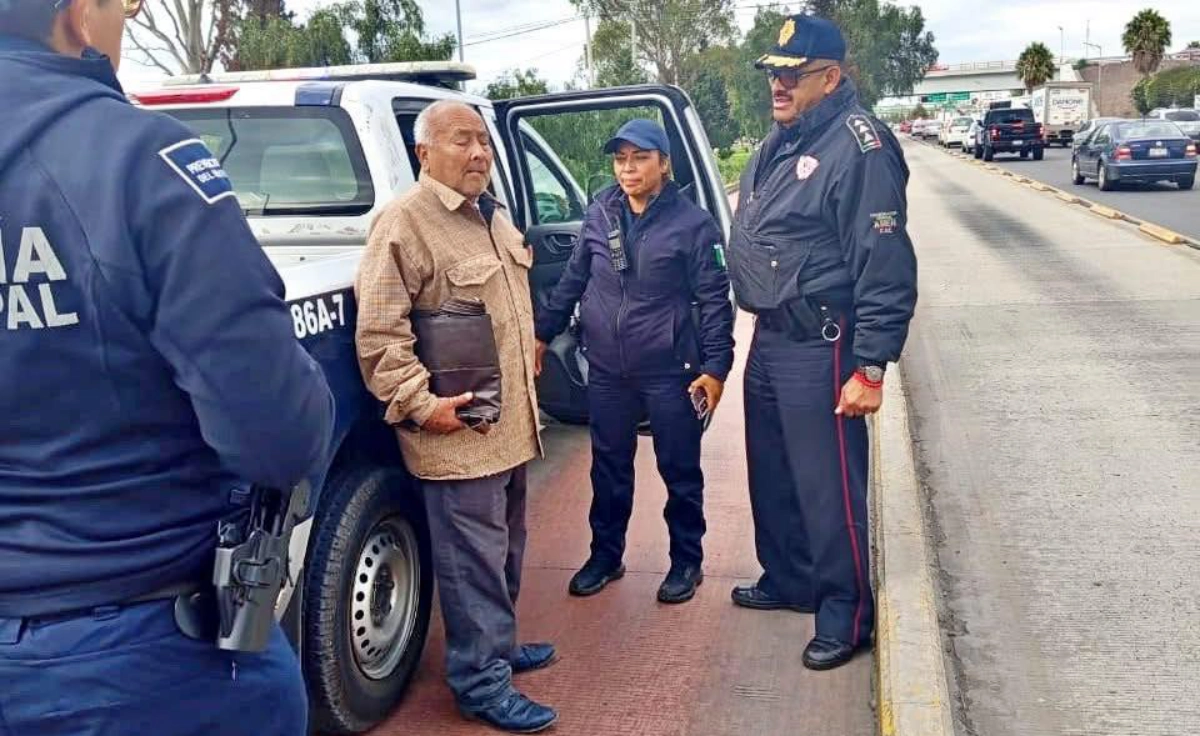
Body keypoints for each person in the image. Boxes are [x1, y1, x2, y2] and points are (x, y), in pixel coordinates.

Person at [0, 0, 336, 732]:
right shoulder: (137, 161)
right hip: (146, 661)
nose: (138, 9)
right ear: (77, 15)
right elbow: (278, 435)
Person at [355, 100, 557, 734]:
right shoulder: (403, 224)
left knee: (505, 553)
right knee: (472, 565)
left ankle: (496, 648)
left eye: (484, 143)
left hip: (512, 429)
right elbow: (380, 336)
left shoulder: (490, 216)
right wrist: (422, 405)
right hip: (458, 435)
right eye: (461, 141)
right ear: (424, 153)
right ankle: (479, 683)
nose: (478, 154)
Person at [725, 14, 918, 671]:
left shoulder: (860, 147)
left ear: (831, 77)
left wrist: (870, 365)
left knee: (827, 486)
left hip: (823, 341)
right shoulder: (782, 139)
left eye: (792, 74)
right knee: (772, 474)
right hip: (771, 338)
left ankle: (846, 612)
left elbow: (883, 263)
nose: (778, 85)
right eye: (773, 73)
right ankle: (789, 578)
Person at [534, 119, 735, 605]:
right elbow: (574, 277)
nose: (628, 168)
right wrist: (542, 333)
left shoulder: (693, 225)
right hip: (607, 370)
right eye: (620, 158)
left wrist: (715, 368)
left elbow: (714, 300)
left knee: (679, 469)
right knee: (608, 467)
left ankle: (687, 561)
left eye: (640, 157)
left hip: (671, 371)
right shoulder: (601, 211)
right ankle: (606, 555)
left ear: (663, 164)